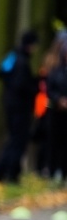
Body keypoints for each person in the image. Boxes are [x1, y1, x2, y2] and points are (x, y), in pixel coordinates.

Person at [0, 30, 39, 184]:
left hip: (9, 102)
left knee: (13, 138)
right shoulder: (23, 62)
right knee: (19, 139)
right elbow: (22, 85)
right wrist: (35, 86)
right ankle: (11, 174)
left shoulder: (11, 56)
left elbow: (1, 72)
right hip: (20, 106)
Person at [46, 33, 67, 184]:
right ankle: (52, 172)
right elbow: (49, 89)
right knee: (54, 143)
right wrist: (59, 100)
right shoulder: (55, 71)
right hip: (56, 112)